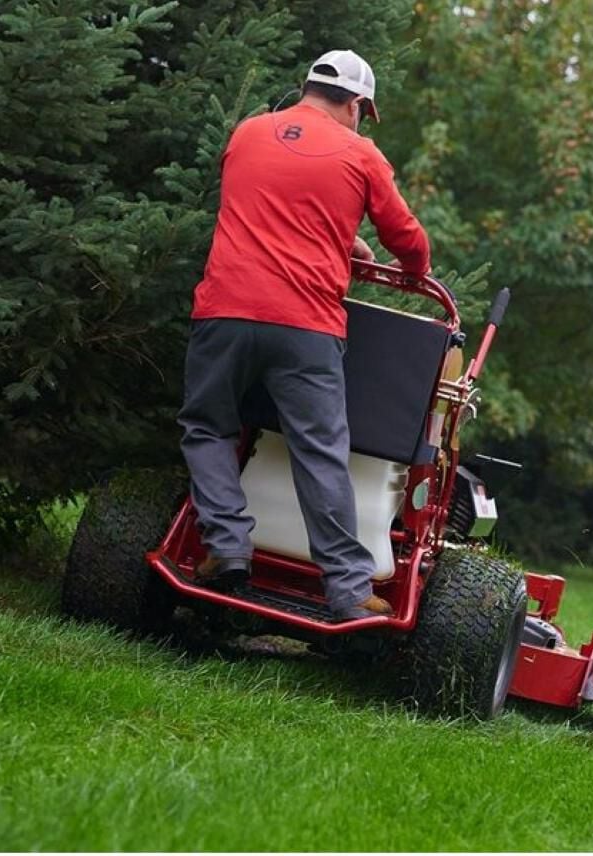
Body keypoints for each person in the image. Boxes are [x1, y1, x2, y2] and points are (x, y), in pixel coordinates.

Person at [177, 49, 431, 621]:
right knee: (319, 452)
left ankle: (227, 548)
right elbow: (407, 240)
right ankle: (346, 590)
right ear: (357, 104)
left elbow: (265, 210)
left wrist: (342, 240)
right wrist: (412, 269)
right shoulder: (361, 154)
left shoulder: (247, 133)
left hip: (224, 311)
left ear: (308, 87)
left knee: (207, 426)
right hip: (305, 327)